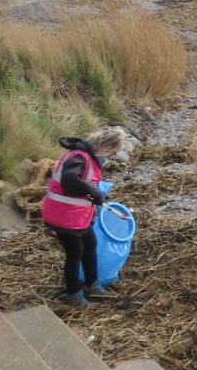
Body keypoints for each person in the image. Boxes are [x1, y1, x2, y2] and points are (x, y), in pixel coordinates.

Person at [41, 126, 132, 306]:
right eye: (112, 153)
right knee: (75, 253)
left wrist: (97, 195)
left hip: (76, 215)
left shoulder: (88, 156)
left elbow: (83, 184)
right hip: (62, 216)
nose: (111, 157)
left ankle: (93, 285)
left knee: (91, 245)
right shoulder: (79, 157)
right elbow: (69, 179)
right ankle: (73, 294)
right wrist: (93, 192)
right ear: (106, 146)